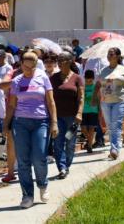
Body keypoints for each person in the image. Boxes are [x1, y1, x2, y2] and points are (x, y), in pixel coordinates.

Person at [5, 50, 57, 210]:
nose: (27, 70)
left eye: (30, 67)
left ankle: (43, 184)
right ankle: (27, 195)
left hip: (40, 121)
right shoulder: (16, 81)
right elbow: (12, 104)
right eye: (24, 66)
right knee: (23, 161)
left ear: (36, 65)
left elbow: (51, 102)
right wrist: (6, 123)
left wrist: (54, 122)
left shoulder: (43, 78)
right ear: (20, 64)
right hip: (20, 123)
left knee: (39, 156)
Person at [95, 47, 124, 161]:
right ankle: (113, 148)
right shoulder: (103, 70)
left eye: (112, 54)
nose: (109, 56)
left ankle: (115, 149)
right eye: (108, 54)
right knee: (110, 126)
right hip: (105, 102)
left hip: (119, 101)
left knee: (117, 124)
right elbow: (98, 84)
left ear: (118, 56)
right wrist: (94, 97)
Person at [50, 51, 83, 179]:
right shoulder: (53, 78)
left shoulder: (77, 78)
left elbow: (81, 98)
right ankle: (62, 168)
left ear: (70, 62)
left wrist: (79, 113)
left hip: (72, 118)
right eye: (59, 60)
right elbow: (49, 97)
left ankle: (67, 165)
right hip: (57, 117)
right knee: (58, 143)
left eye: (62, 60)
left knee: (70, 143)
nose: (60, 62)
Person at [80, 70, 98, 152]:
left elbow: (99, 99)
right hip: (83, 111)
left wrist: (100, 112)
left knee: (91, 128)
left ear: (93, 79)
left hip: (93, 111)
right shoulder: (82, 87)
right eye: (87, 79)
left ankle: (89, 146)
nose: (88, 81)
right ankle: (91, 140)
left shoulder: (95, 87)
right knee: (83, 129)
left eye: (90, 80)